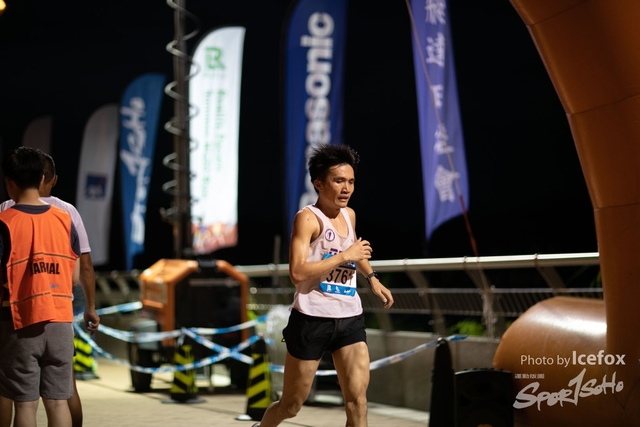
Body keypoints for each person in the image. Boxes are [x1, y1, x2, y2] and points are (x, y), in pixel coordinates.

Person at [254, 144, 394, 427]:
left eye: (351, 181)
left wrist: (372, 278)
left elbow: (354, 251)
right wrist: (344, 256)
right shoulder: (307, 219)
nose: (347, 188)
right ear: (319, 184)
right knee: (291, 405)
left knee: (357, 401)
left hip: (349, 317)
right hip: (311, 319)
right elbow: (297, 272)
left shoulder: (349, 215)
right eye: (339, 181)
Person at [0, 150, 99, 427]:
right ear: (44, 179)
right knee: (58, 402)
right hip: (60, 321)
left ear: (10, 183)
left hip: (20, 322)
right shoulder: (65, 219)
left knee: (25, 404)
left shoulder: (5, 221)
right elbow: (74, 277)